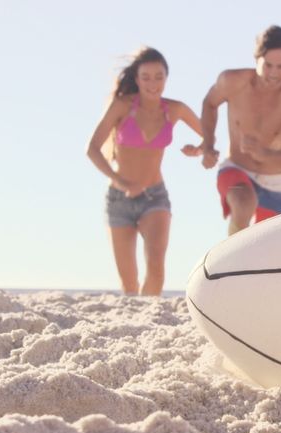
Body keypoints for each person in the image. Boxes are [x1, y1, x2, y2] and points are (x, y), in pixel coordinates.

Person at [87, 47, 203, 295]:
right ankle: (135, 317)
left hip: (155, 197)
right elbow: (92, 149)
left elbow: (210, 139)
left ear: (166, 78)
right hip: (119, 200)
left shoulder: (175, 109)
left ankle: (150, 317)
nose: (153, 84)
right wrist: (120, 181)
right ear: (137, 79)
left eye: (159, 77)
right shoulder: (122, 106)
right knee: (129, 282)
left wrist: (200, 149)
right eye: (146, 77)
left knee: (156, 268)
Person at [198, 25, 281, 235]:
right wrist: (208, 145)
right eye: (268, 65)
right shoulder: (232, 81)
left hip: (274, 182)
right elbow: (209, 103)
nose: (274, 74)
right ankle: (230, 262)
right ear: (256, 59)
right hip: (236, 169)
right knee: (243, 203)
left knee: (270, 251)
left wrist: (264, 154)